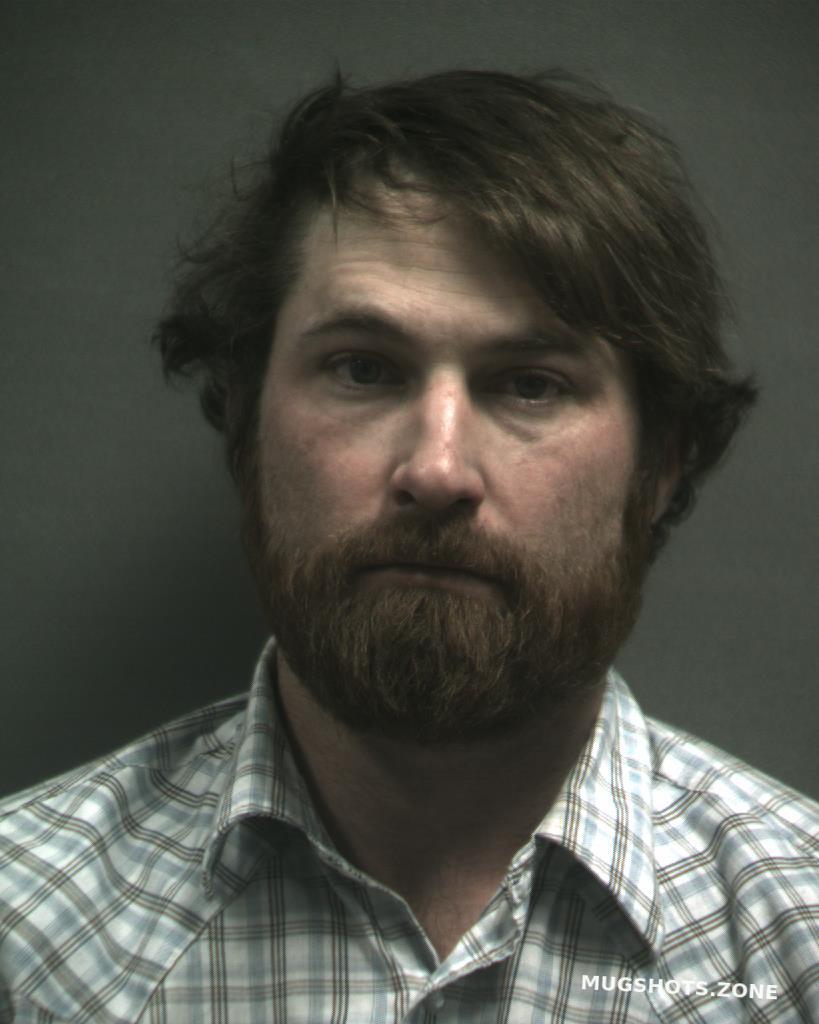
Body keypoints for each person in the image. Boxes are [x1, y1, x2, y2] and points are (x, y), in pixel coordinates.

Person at [0, 69, 816, 1024]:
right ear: (246, 419)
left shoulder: (795, 944)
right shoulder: (25, 940)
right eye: (362, 368)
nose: (436, 469)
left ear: (661, 462)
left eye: (531, 384)